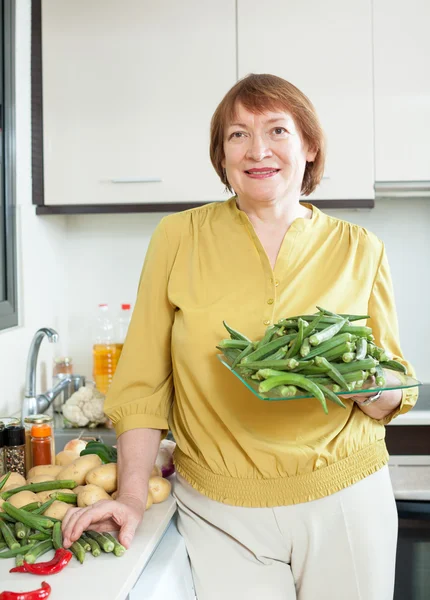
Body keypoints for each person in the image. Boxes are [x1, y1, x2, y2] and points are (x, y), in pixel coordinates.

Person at [62, 74, 418, 600]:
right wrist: (132, 497)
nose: (258, 150)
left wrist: (359, 382)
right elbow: (140, 387)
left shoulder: (360, 248)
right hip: (221, 510)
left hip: (344, 495)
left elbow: (391, 383)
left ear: (310, 146)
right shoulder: (178, 238)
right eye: (237, 134)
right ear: (221, 155)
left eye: (278, 130)